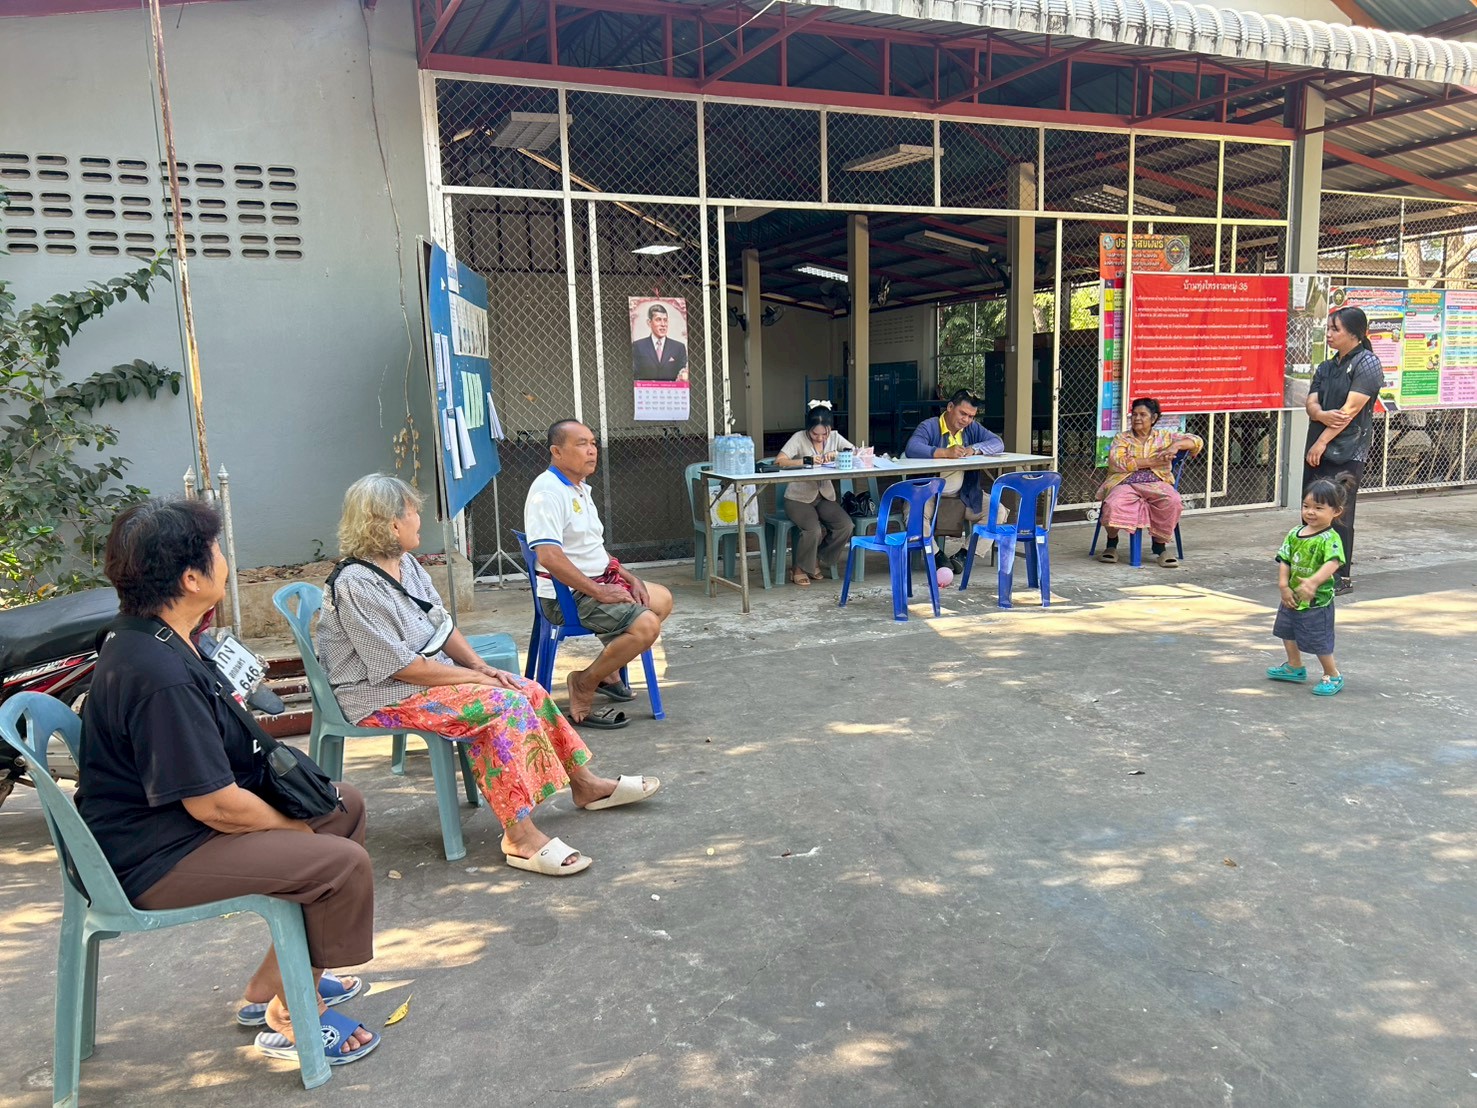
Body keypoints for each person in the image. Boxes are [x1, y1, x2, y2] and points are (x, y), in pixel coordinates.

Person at [78, 498, 380, 1066]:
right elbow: (214, 807)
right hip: (152, 855)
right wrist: (293, 830)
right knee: (338, 863)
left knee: (343, 807)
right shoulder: (158, 673)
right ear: (190, 579)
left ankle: (278, 981)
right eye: (215, 550)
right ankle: (294, 1012)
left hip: (170, 825)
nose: (224, 559)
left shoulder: (155, 636)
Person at [316, 474, 660, 878]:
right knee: (501, 706)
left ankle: (585, 785)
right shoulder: (356, 584)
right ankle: (519, 835)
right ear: (392, 524)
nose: (419, 520)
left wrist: (481, 667)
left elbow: (440, 625)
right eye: (413, 512)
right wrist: (476, 680)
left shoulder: (404, 564)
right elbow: (400, 667)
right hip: (379, 695)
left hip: (416, 678)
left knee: (527, 689)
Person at [525, 420, 675, 725]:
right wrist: (600, 592)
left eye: (592, 443)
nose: (592, 450)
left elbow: (591, 547)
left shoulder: (578, 487)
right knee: (646, 626)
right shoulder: (547, 492)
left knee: (661, 599)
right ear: (557, 451)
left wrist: (627, 576)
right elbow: (549, 556)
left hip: (595, 584)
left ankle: (608, 671)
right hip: (568, 597)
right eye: (581, 444)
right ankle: (584, 682)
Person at [1304, 306, 1383, 595]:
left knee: (1338, 514)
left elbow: (1349, 412)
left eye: (1335, 329)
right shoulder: (1326, 366)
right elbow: (1311, 403)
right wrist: (1320, 414)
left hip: (1348, 450)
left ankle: (1340, 576)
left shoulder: (1368, 363)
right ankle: (1313, 568)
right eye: (1328, 328)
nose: (1329, 334)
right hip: (1317, 448)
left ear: (1354, 333)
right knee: (1312, 508)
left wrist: (1322, 441)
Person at [1267, 473, 1356, 696]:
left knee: (1319, 639)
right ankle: (1294, 666)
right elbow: (1285, 560)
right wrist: (1283, 586)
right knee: (1287, 631)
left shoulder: (1330, 538)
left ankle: (1332, 674)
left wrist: (1313, 582)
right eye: (1306, 506)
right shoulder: (1294, 533)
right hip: (1292, 596)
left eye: (1318, 508)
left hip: (1317, 601)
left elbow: (1333, 562)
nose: (1310, 512)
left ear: (1336, 512)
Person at [904, 388, 1004, 575]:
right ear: (950, 407)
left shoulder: (971, 428)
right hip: (928, 493)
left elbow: (998, 443)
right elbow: (912, 448)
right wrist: (944, 453)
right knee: (914, 514)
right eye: (963, 413)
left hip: (964, 494)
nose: (966, 420)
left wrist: (974, 449)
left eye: (971, 416)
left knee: (997, 511)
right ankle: (936, 555)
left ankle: (965, 554)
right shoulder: (930, 426)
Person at [1096, 396, 1203, 567]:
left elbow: (1197, 441)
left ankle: (1159, 546)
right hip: (1125, 481)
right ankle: (1111, 543)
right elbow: (1117, 462)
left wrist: (1175, 446)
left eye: (1142, 415)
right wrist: (1154, 461)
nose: (1137, 418)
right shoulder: (1122, 438)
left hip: (1157, 482)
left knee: (1173, 501)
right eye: (1134, 414)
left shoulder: (1165, 436)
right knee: (1113, 503)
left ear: (1154, 418)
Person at [774, 400, 855, 586]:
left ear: (830, 428)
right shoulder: (798, 438)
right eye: (814, 434)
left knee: (845, 525)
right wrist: (805, 461)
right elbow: (780, 461)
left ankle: (816, 559)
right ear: (808, 429)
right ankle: (799, 568)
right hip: (798, 498)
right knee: (813, 529)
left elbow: (855, 451)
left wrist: (838, 454)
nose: (820, 438)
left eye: (824, 434)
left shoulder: (835, 437)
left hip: (824, 496)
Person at [631, 303, 688, 382]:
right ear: (649, 322)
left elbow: (683, 375)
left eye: (665, 320)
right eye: (658, 320)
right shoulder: (638, 346)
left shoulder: (679, 348)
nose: (663, 324)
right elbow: (635, 374)